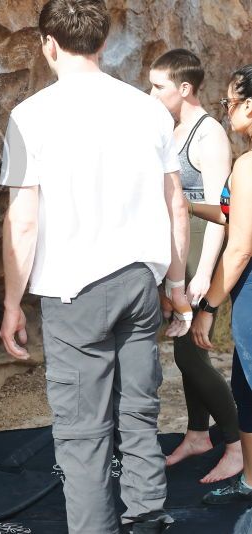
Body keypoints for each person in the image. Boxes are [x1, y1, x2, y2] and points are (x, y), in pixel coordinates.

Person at [0, 1, 191, 533]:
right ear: (104, 44)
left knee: (83, 432)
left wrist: (12, 303)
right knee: (139, 412)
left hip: (73, 293)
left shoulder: (28, 117)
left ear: (48, 44)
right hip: (139, 282)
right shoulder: (149, 110)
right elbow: (175, 204)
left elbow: (23, 220)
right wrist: (177, 285)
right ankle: (147, 518)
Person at [148, 49, 242, 483]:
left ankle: (236, 444)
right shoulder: (171, 127)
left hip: (203, 250)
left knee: (189, 353)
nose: (151, 94)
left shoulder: (209, 136)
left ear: (185, 88)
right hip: (179, 251)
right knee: (186, 352)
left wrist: (203, 274)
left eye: (159, 86)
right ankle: (197, 434)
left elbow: (222, 214)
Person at [189, 65, 252, 505]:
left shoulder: (248, 167)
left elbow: (240, 248)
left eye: (229, 102)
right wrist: (190, 206)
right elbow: (232, 214)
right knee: (245, 387)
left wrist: (208, 308)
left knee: (248, 386)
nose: (226, 111)